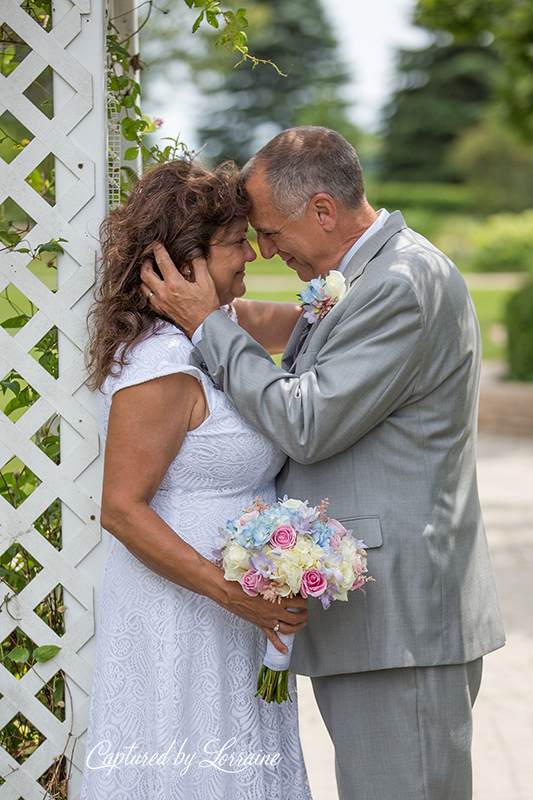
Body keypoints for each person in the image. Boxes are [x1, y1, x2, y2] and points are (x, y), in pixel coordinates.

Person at [140, 127, 506, 800]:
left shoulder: (400, 283)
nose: (267, 250)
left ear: (322, 210)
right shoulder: (372, 274)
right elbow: (309, 346)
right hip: (383, 620)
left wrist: (206, 327)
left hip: (403, 621)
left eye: (272, 233)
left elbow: (306, 422)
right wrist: (209, 308)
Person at [81, 160, 312, 800]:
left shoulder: (220, 325)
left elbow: (305, 324)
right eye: (237, 242)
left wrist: (354, 297)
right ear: (188, 259)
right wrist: (232, 594)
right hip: (182, 612)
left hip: (237, 610)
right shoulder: (161, 365)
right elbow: (122, 510)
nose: (251, 257)